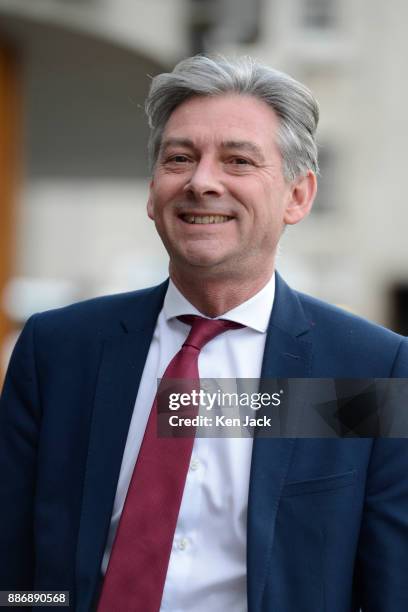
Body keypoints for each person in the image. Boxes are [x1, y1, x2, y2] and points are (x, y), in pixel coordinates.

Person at [1, 55, 408, 612]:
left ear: (298, 196)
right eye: (180, 158)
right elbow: (14, 565)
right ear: (152, 191)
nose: (202, 182)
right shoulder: (59, 350)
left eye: (238, 160)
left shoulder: (366, 369)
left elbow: (390, 586)